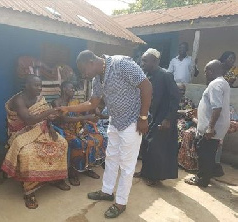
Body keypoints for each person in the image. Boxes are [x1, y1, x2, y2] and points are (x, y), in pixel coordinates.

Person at [58, 50, 152, 218]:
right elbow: (92, 102)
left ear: (91, 61)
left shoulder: (121, 64)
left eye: (83, 70)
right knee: (111, 158)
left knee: (127, 165)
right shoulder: (97, 79)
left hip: (132, 122)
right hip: (115, 121)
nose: (83, 74)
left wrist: (143, 117)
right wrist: (68, 108)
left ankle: (121, 202)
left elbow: (146, 86)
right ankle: (107, 191)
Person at [1, 75, 70, 209]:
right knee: (28, 153)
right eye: (35, 85)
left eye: (40, 85)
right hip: (22, 133)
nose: (39, 88)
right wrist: (50, 111)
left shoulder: (40, 99)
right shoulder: (18, 100)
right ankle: (29, 192)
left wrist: (50, 128)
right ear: (26, 85)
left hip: (41, 129)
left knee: (62, 143)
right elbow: (29, 120)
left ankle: (56, 179)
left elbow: (45, 118)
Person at [135, 48, 180, 186]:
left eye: (144, 60)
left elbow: (175, 98)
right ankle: (145, 172)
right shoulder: (147, 76)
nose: (142, 63)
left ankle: (154, 177)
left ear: (154, 61)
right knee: (146, 145)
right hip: (150, 116)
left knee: (156, 148)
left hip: (163, 117)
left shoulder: (166, 75)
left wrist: (168, 119)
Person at [185, 60, 230, 188]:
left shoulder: (215, 84)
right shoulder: (223, 82)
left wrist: (210, 128)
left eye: (206, 71)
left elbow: (217, 108)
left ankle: (202, 179)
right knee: (209, 152)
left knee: (204, 153)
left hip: (212, 128)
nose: (205, 74)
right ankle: (213, 172)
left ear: (211, 71)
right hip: (217, 126)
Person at [52, 81, 104, 186]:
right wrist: (85, 118)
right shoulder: (56, 103)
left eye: (74, 89)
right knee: (77, 143)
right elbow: (63, 119)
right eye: (71, 88)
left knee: (94, 140)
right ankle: (72, 172)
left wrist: (85, 124)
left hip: (77, 129)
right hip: (62, 131)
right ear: (64, 89)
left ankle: (87, 167)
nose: (73, 90)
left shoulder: (75, 102)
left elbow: (84, 115)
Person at [177, 83, 198, 171]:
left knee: (186, 130)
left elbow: (190, 113)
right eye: (180, 90)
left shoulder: (187, 101)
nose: (182, 92)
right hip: (173, 120)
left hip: (186, 121)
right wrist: (182, 111)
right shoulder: (171, 99)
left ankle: (184, 159)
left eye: (183, 90)